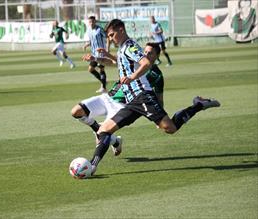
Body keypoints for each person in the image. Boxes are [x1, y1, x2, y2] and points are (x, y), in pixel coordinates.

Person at [83, 19, 220, 175]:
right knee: (103, 130)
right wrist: (96, 59)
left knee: (170, 128)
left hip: (143, 96)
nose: (111, 38)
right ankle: (92, 166)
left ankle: (198, 105)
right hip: (131, 101)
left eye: (112, 35)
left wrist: (133, 77)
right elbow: (116, 62)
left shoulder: (130, 45)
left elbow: (146, 62)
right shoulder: (122, 48)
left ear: (121, 30)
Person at [73, 43, 165, 157]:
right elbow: (114, 62)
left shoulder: (156, 75)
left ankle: (94, 164)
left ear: (157, 56)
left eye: (150, 53)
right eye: (145, 51)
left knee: (102, 136)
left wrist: (159, 119)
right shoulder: (134, 62)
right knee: (77, 111)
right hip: (109, 96)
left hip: (124, 104)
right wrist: (96, 58)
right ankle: (113, 140)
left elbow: (159, 98)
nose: (146, 54)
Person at [83, 16, 109, 93]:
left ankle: (104, 87)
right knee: (90, 69)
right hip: (93, 53)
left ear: (95, 21)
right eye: (90, 22)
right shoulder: (89, 30)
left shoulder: (99, 29)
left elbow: (107, 37)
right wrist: (87, 44)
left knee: (101, 69)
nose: (91, 23)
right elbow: (91, 41)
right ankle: (103, 82)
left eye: (92, 21)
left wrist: (107, 48)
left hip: (101, 53)